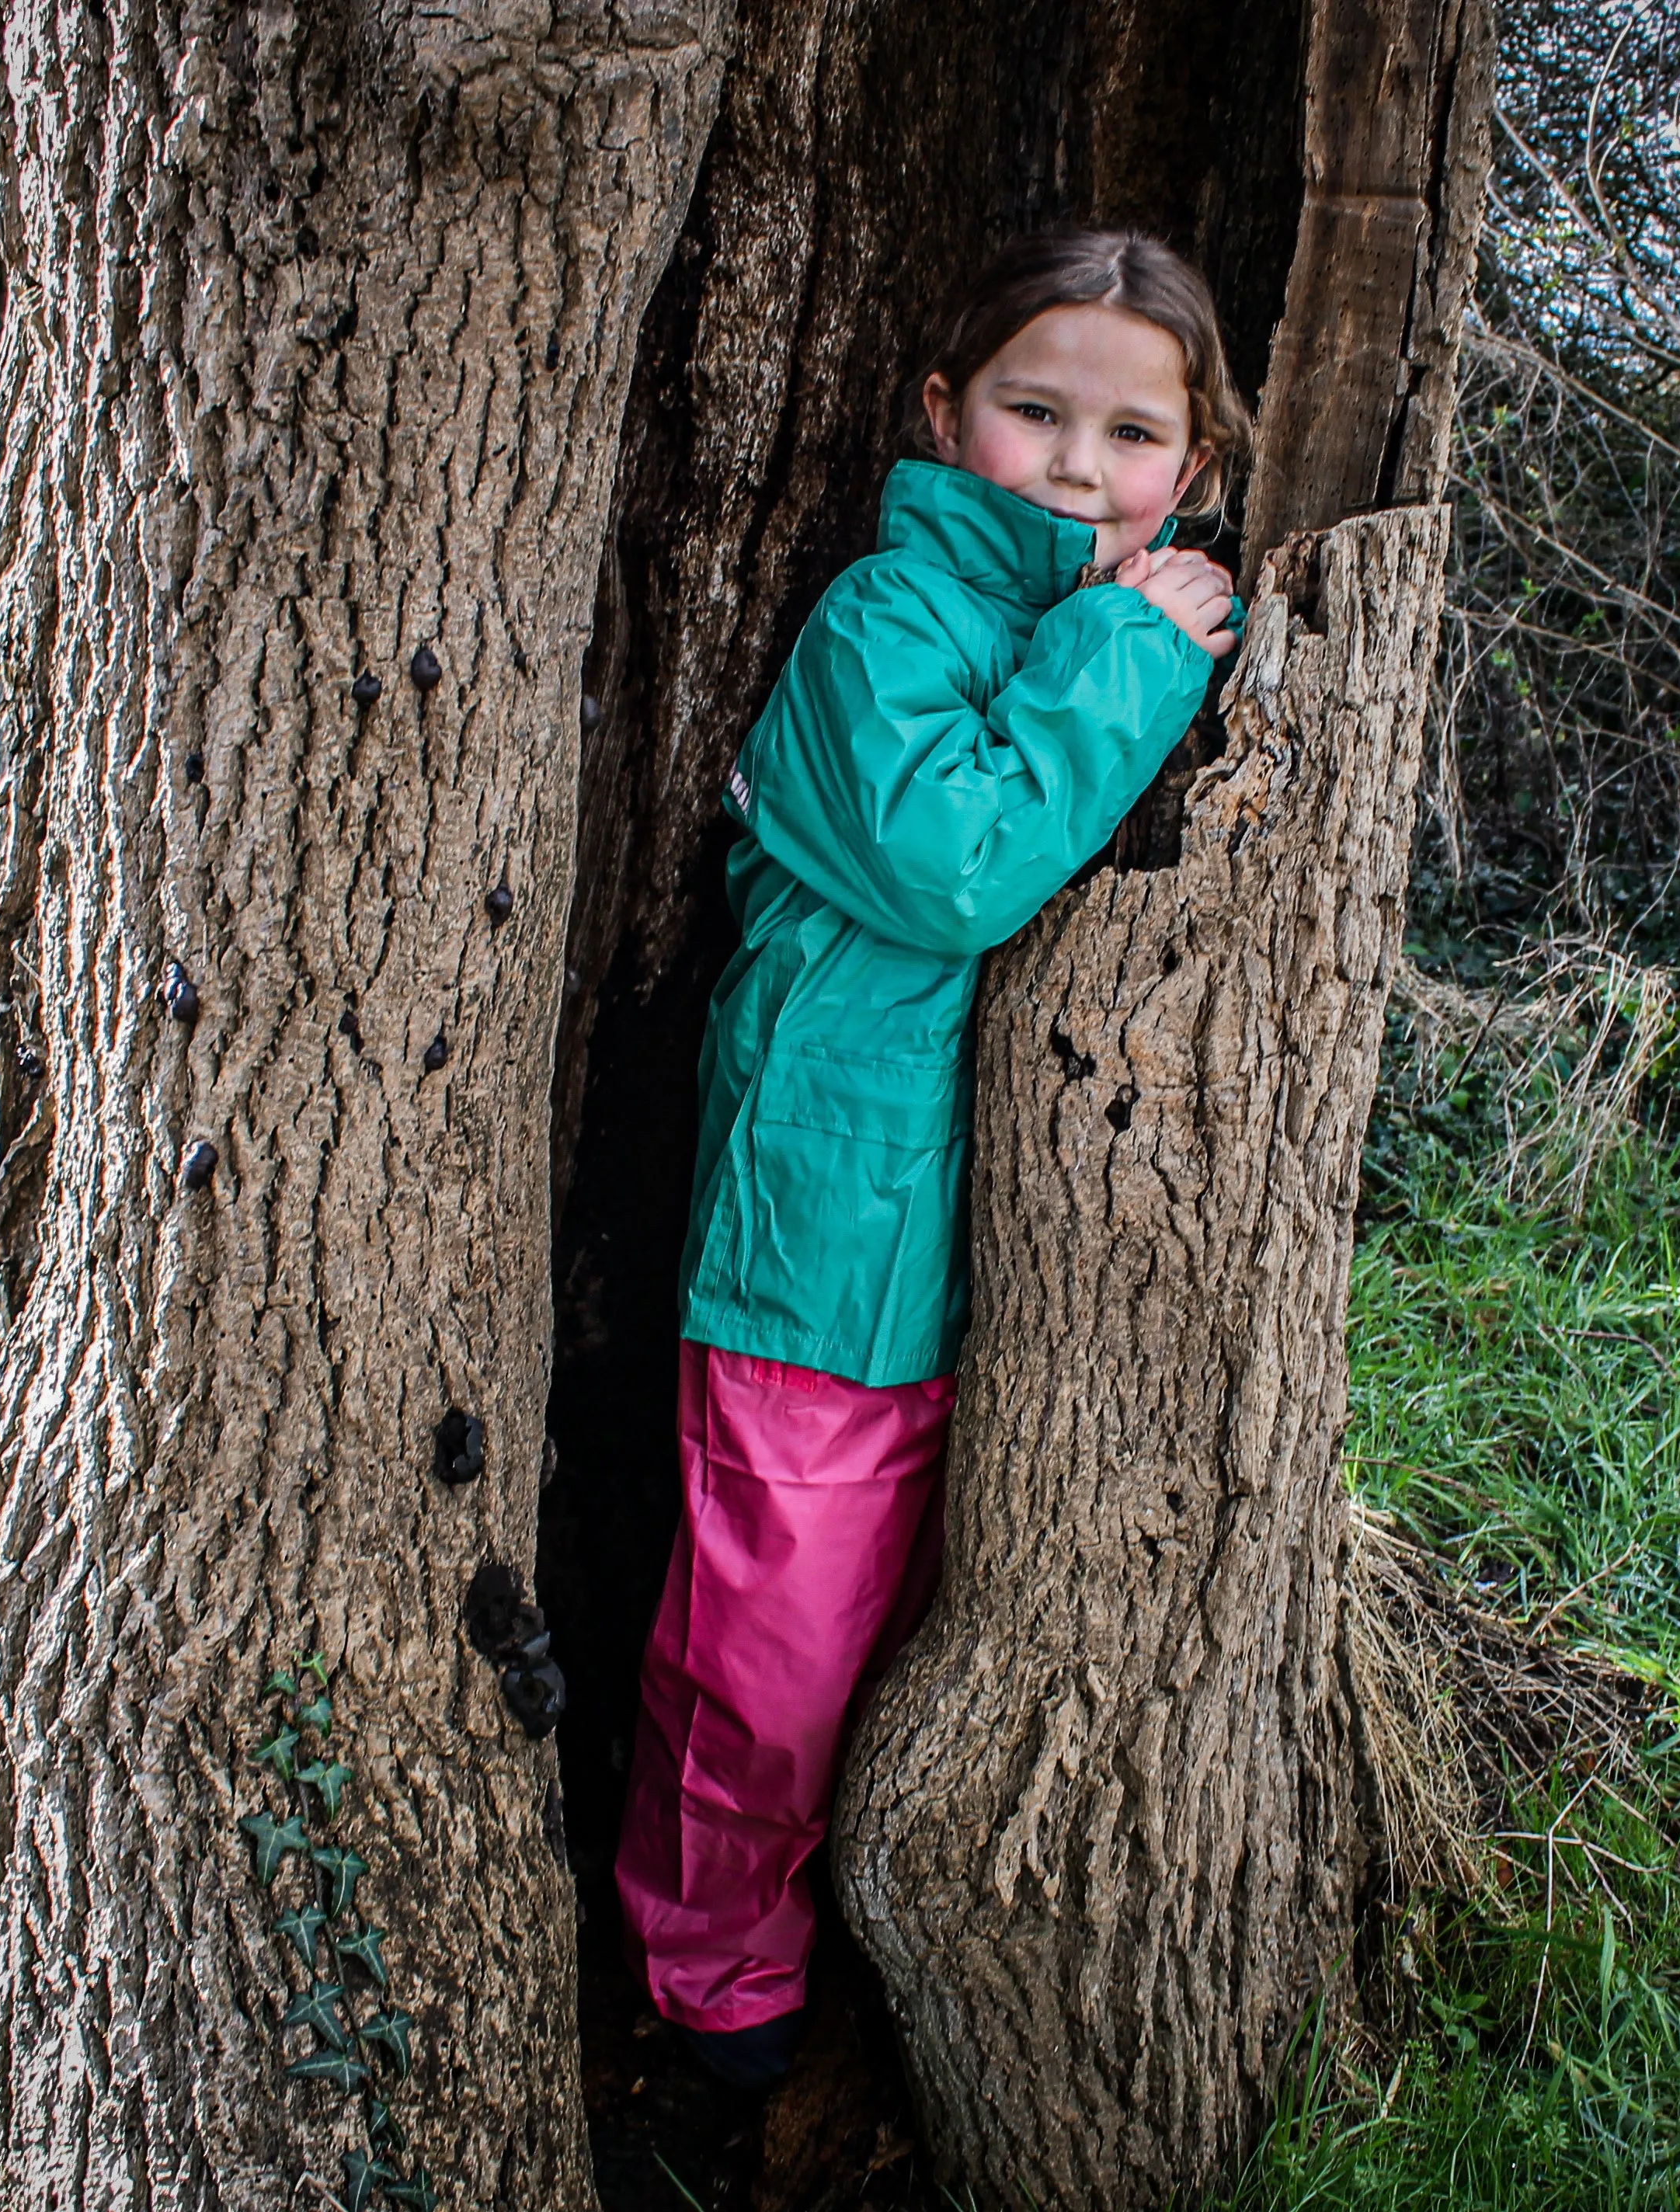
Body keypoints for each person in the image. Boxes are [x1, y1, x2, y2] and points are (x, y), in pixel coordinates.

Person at [614, 229, 1254, 2091]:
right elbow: (956, 864)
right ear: (943, 412)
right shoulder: (881, 629)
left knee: (941, 1639)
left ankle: (904, 1952)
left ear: (1195, 467)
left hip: (1022, 1256)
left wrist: (1133, 651)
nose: (1075, 463)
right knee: (775, 1646)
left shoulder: (1159, 632)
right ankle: (709, 1979)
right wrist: (1124, 656)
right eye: (1032, 408)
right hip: (823, 1245)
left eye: (1133, 434)